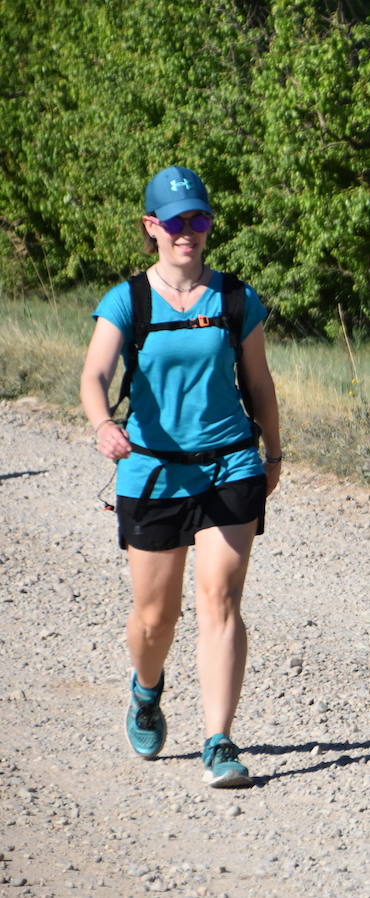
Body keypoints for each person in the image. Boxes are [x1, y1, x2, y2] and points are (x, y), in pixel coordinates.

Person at [79, 166, 281, 788]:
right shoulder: (127, 300)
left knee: (221, 599)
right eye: (175, 221)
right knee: (153, 619)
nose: (187, 231)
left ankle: (219, 740)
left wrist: (273, 453)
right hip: (152, 473)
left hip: (228, 465)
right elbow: (95, 376)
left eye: (198, 219)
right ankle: (147, 689)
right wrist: (102, 425)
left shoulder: (235, 299)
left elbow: (260, 383)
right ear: (152, 228)